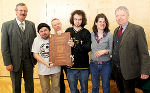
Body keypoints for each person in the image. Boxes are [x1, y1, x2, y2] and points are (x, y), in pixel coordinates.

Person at [111, 6, 150, 93]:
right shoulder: (116, 30)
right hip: (117, 71)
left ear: (128, 16)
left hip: (130, 71)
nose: (119, 18)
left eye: (122, 15)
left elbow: (144, 52)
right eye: (117, 15)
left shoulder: (137, 30)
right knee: (121, 90)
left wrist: (145, 71)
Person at [1, 3, 36, 93]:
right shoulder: (6, 25)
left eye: (25, 11)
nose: (23, 12)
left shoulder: (31, 25)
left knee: (30, 84)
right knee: (16, 85)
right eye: (21, 10)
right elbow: (4, 47)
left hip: (29, 61)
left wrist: (35, 58)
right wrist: (7, 63)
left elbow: (35, 43)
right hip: (14, 62)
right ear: (16, 12)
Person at [65, 10, 91, 93]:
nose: (77, 21)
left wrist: (75, 45)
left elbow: (88, 48)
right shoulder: (68, 31)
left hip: (84, 67)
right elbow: (64, 49)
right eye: (75, 19)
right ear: (72, 19)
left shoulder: (86, 32)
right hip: (71, 67)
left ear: (83, 20)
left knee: (84, 89)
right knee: (73, 90)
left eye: (79, 19)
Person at [32, 23, 60, 93]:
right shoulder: (36, 40)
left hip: (55, 68)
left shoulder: (55, 38)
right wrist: (46, 63)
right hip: (43, 69)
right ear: (38, 32)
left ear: (49, 30)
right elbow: (35, 54)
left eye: (45, 30)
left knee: (56, 89)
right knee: (45, 89)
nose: (43, 33)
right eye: (41, 31)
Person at [90, 13, 113, 93]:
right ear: (96, 23)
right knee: (95, 86)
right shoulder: (91, 35)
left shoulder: (110, 35)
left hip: (106, 65)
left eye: (104, 22)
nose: (102, 23)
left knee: (106, 86)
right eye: (100, 21)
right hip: (93, 65)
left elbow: (112, 50)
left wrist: (105, 51)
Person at [51, 18, 67, 93]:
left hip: (67, 60)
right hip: (57, 61)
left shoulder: (67, 34)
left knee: (71, 79)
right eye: (55, 25)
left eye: (58, 24)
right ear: (52, 26)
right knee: (60, 80)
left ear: (61, 24)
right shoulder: (51, 37)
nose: (57, 26)